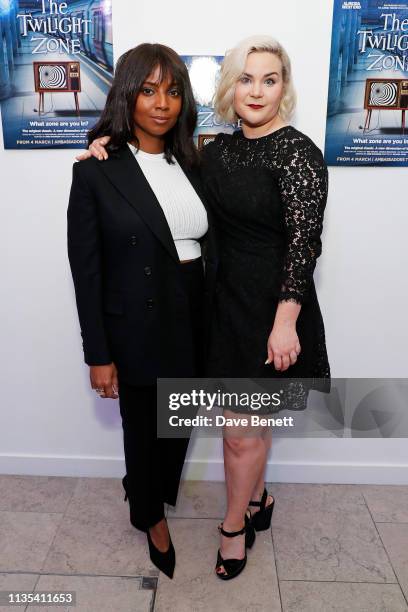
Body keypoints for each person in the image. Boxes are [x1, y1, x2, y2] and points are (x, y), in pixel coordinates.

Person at [80, 35, 330, 582]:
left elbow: (304, 243)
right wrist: (99, 141)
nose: (257, 90)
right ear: (229, 86)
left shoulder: (299, 153)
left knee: (241, 428)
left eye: (270, 79)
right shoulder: (210, 150)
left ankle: (233, 528)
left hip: (270, 312)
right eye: (245, 77)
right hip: (218, 309)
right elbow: (145, 171)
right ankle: (258, 497)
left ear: (285, 87)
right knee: (243, 424)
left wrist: (286, 320)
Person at [67, 43, 217, 579]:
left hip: (195, 313)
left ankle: (150, 488)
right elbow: (86, 274)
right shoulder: (96, 171)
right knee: (143, 429)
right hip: (137, 323)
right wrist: (98, 354)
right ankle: (150, 516)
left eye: (173, 91)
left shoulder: (196, 162)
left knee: (179, 422)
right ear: (128, 93)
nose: (162, 103)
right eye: (149, 90)